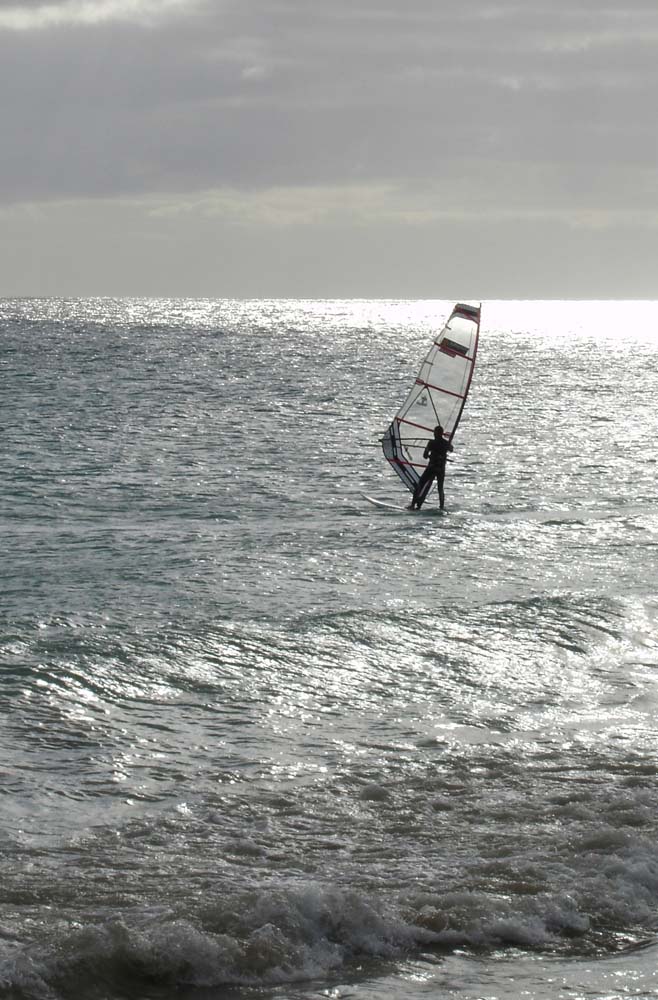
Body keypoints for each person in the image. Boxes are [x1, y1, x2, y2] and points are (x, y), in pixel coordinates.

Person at [409, 424, 453, 510]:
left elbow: (425, 456)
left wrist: (430, 455)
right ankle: (441, 506)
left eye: (434, 432)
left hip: (432, 468)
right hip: (441, 469)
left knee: (420, 484)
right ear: (442, 433)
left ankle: (413, 505)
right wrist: (447, 444)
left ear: (436, 433)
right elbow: (451, 449)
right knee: (440, 488)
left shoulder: (431, 443)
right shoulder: (445, 443)